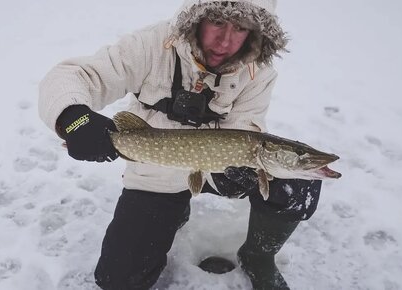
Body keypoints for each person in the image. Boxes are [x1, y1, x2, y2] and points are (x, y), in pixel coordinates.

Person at [39, 0, 322, 289]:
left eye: (239, 27)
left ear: (254, 31)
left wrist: (233, 177)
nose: (225, 41)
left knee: (299, 183)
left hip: (220, 168)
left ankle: (258, 256)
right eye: (217, 22)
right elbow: (74, 77)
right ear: (197, 18)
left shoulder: (258, 72)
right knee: (119, 280)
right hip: (156, 174)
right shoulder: (152, 45)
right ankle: (174, 210)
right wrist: (72, 117)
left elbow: (244, 128)